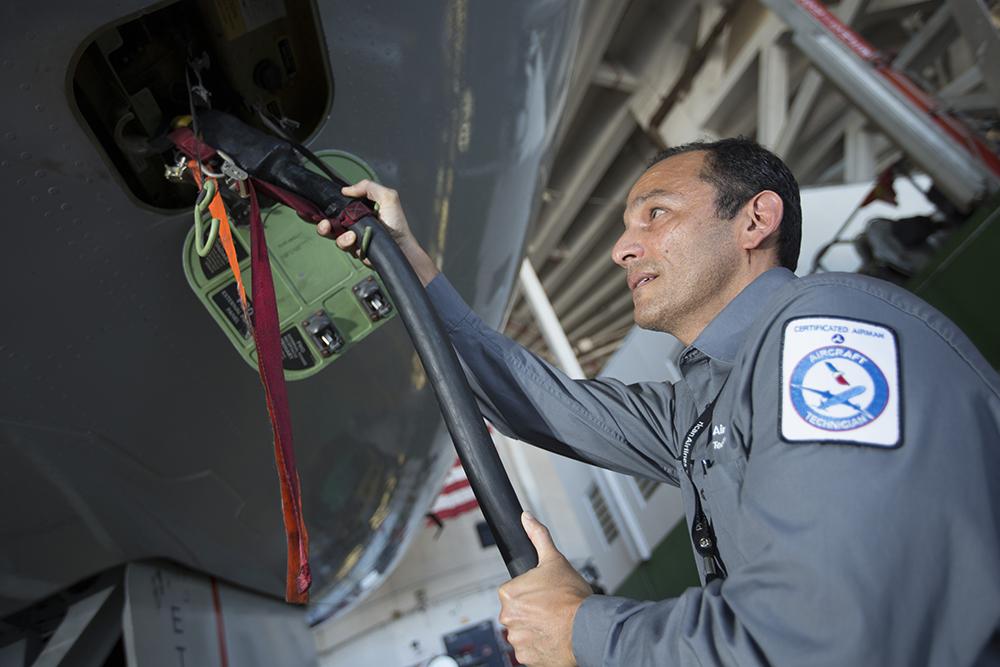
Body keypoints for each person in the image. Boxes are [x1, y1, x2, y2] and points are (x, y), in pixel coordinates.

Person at [318, 138, 1000, 667]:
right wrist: (411, 267)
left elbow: (812, 640)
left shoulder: (822, 340)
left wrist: (580, 628)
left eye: (657, 212)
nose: (621, 247)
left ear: (755, 219)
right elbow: (533, 402)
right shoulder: (705, 401)